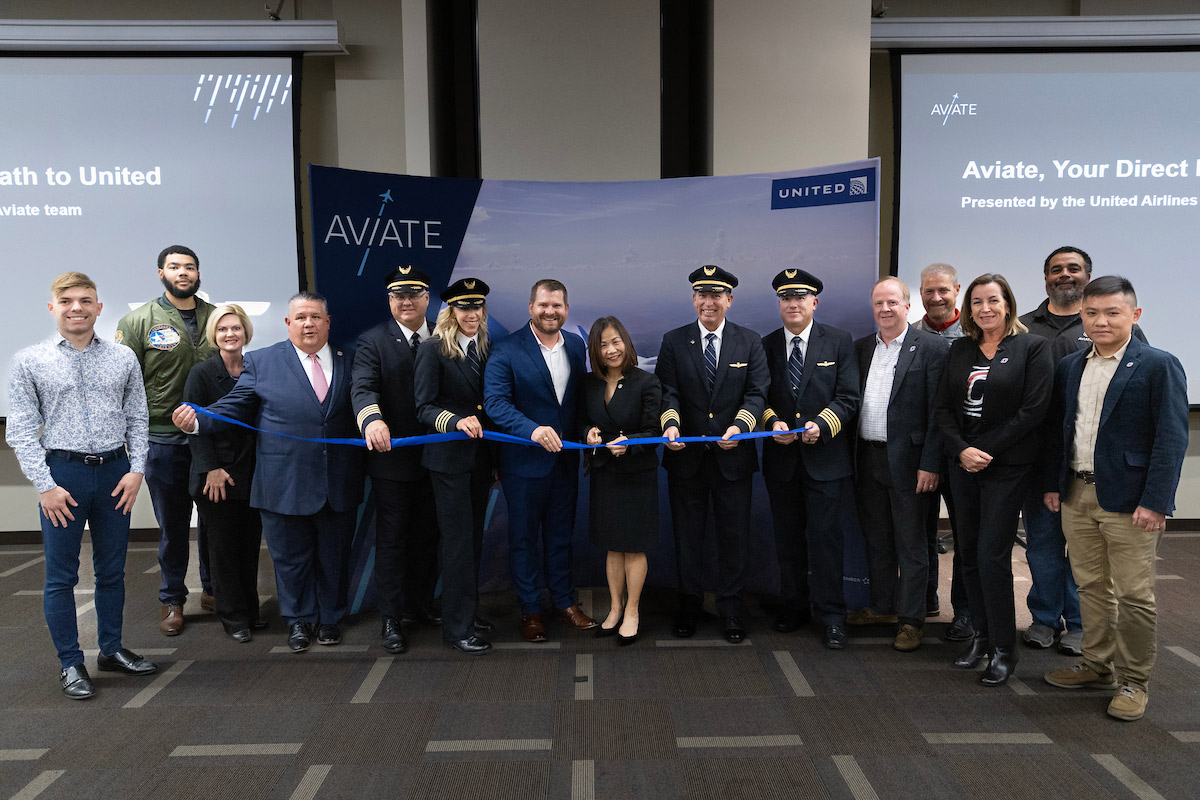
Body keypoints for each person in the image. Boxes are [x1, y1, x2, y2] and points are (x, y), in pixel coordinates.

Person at [172, 292, 364, 653]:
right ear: (288, 323)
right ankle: (298, 621)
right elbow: (234, 406)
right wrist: (198, 421)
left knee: (334, 558)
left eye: (316, 317)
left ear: (328, 322)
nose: (309, 324)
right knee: (290, 560)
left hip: (337, 480)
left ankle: (329, 620)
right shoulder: (262, 361)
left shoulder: (350, 360)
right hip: (283, 482)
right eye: (301, 317)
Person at [1042, 276, 1188, 721]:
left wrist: (1156, 501)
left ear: (1134, 316)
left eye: (1112, 312)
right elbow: (1060, 430)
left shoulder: (1158, 365)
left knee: (1134, 594)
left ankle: (1133, 681)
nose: (1100, 321)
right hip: (1077, 491)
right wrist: (1053, 484)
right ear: (1081, 315)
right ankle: (1097, 664)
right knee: (1090, 586)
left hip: (1130, 501)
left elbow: (1171, 438)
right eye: (1092, 313)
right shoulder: (1072, 365)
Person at [7, 272, 157, 699]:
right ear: (52, 307)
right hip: (62, 476)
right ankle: (71, 663)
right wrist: (44, 484)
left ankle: (110, 649)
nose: (77, 307)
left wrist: (137, 469)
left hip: (115, 474)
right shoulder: (29, 360)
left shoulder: (123, 357)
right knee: (61, 576)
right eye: (68, 300)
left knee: (113, 571)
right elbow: (19, 429)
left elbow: (138, 419)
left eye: (86, 300)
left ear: (99, 307)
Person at [1018, 246, 1145, 656]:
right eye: (1056, 270)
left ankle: (1078, 624)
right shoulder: (1022, 326)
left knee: (1087, 555)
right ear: (1045, 278)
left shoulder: (1110, 326)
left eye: (1074, 269)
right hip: (1041, 459)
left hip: (1094, 460)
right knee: (1042, 544)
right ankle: (1042, 618)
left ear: (1087, 276)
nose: (1065, 275)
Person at [935, 273, 1053, 686]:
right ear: (967, 309)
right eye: (977, 302)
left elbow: (1033, 411)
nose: (985, 309)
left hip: (1005, 467)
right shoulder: (961, 349)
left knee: (991, 556)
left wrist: (986, 450)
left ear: (1008, 304)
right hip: (963, 465)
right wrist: (961, 450)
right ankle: (981, 639)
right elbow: (943, 409)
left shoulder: (1033, 348)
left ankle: (1005, 649)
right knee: (967, 553)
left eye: (993, 300)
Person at [657, 265, 769, 644]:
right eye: (702, 295)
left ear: (729, 300)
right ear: (693, 300)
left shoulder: (750, 341)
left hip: (732, 459)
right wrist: (670, 424)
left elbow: (757, 394)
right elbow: (667, 391)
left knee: (733, 537)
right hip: (686, 458)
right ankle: (689, 604)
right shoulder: (673, 341)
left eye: (716, 295)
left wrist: (740, 426)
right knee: (687, 537)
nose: (709, 302)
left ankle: (732, 608)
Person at [483, 279, 597, 642]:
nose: (551, 311)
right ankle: (530, 610)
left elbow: (579, 402)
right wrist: (532, 430)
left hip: (565, 464)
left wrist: (588, 432)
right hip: (523, 465)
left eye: (558, 306)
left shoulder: (577, 346)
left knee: (561, 537)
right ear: (530, 307)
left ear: (566, 309)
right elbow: (497, 403)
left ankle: (564, 603)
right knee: (523, 540)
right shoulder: (506, 349)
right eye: (544, 305)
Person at [116, 245, 216, 636]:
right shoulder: (139, 321)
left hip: (211, 439)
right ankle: (173, 600)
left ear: (197, 272)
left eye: (190, 267)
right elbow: (123, 386)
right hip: (163, 440)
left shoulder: (215, 317)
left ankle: (213, 590)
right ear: (161, 273)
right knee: (173, 527)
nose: (183, 273)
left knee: (215, 522)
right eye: (175, 267)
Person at [759, 269, 859, 649]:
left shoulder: (838, 341)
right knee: (787, 541)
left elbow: (849, 397)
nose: (793, 304)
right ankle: (794, 607)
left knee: (827, 543)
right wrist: (773, 423)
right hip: (782, 460)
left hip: (825, 461)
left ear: (814, 302)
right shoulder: (765, 345)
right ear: (779, 304)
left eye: (800, 297)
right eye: (786, 298)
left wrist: (822, 424)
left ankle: (832, 615)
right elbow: (759, 396)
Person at [852, 278, 948, 651]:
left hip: (911, 463)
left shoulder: (932, 348)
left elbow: (939, 413)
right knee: (877, 540)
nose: (885, 309)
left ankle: (911, 620)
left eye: (892, 302)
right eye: (879, 303)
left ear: (909, 307)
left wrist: (930, 463)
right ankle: (882, 606)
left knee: (911, 545)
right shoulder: (861, 348)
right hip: (868, 458)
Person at [351, 267, 442, 655]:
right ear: (390, 301)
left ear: (426, 297)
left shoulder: (445, 335)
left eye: (414, 294)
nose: (406, 301)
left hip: (440, 458)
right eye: (398, 296)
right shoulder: (373, 341)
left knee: (429, 536)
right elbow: (363, 386)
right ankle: (391, 616)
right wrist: (372, 418)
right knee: (392, 541)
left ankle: (421, 605)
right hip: (393, 462)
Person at [414, 277, 497, 655]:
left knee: (473, 541)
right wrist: (456, 421)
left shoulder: (486, 346)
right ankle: (457, 629)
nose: (471, 314)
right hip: (448, 461)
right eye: (464, 307)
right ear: (450, 311)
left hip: (479, 461)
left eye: (477, 307)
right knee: (458, 544)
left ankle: (468, 612)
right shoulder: (433, 349)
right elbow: (424, 407)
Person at [182, 304, 264, 643]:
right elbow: (191, 425)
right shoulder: (201, 373)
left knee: (249, 546)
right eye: (222, 329)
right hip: (216, 475)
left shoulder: (257, 368)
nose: (230, 334)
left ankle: (251, 610)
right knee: (222, 550)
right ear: (214, 335)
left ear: (246, 332)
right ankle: (232, 617)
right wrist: (210, 469)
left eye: (236, 328)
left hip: (252, 472)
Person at [578, 316, 663, 646]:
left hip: (636, 474)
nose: (611, 350)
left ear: (626, 343)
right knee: (612, 546)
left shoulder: (646, 382)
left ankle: (632, 611)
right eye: (602, 345)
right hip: (605, 474)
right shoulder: (589, 383)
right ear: (594, 352)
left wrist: (628, 444)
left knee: (634, 547)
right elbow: (579, 421)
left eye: (616, 342)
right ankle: (613, 609)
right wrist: (587, 432)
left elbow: (653, 431)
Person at [913, 262, 972, 643]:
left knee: (965, 534)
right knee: (921, 531)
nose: (936, 297)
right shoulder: (910, 334)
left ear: (957, 290)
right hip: (921, 452)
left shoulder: (975, 333)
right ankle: (925, 598)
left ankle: (964, 612)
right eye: (928, 291)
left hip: (965, 453)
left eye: (943, 291)